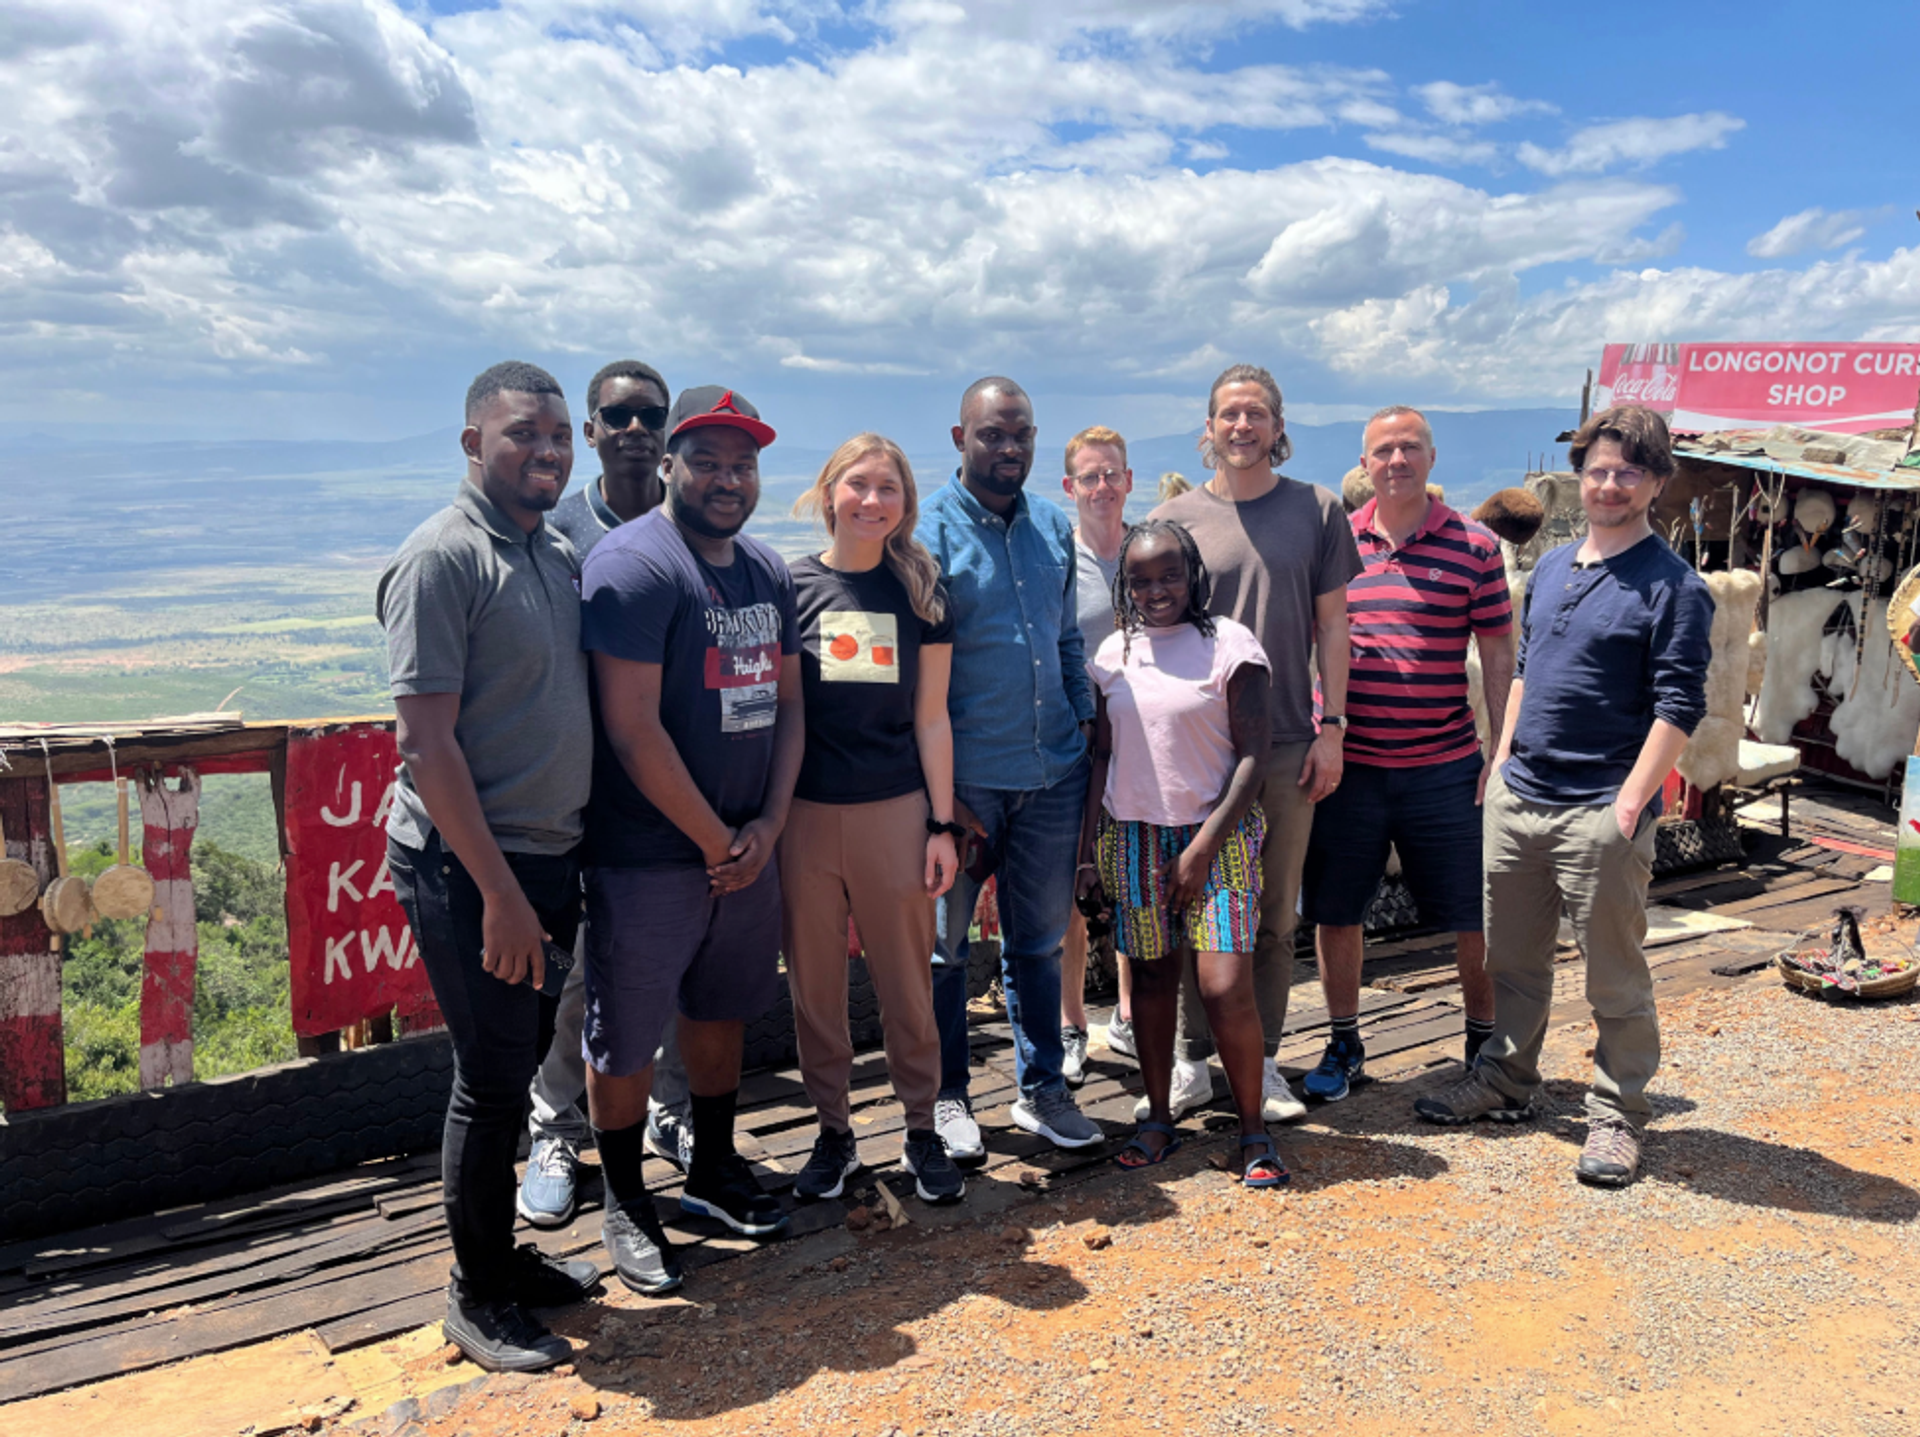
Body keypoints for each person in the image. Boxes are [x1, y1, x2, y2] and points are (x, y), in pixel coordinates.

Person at [1414, 405, 1712, 1190]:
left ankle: (1618, 1111)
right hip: (1522, 795)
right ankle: (1508, 1078)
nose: (1610, 485)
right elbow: (1523, 673)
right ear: (1580, 477)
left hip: (1601, 806)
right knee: (1512, 958)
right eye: (1598, 470)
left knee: (1612, 970)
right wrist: (1500, 758)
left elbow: (1679, 705)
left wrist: (1630, 803)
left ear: (1655, 482)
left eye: (1628, 472)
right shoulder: (1550, 567)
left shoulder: (1675, 586)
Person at [380, 360, 601, 1372]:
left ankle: (502, 1261)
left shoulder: (549, 550)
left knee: (512, 1071)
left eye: (559, 436)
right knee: (491, 1078)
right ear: (473, 443)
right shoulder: (442, 561)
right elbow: (428, 747)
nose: (546, 450)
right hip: (471, 870)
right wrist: (503, 899)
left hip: (544, 859)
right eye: (523, 434)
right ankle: (474, 1293)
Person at [579, 385, 803, 1295]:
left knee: (721, 1008)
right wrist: (718, 838)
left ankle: (711, 1168)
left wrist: (769, 827)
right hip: (649, 852)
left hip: (746, 845)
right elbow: (632, 728)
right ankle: (627, 1199)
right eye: (706, 459)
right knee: (627, 1032)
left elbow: (790, 705)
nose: (727, 477)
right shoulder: (633, 566)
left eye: (742, 462)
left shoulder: (767, 570)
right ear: (668, 462)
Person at [1148, 364, 1363, 1123]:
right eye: (1229, 414)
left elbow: (1335, 625)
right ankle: (1191, 1057)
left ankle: (1264, 1059)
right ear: (1207, 428)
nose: (1243, 426)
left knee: (1274, 913)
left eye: (1257, 414)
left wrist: (1331, 728)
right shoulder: (1174, 517)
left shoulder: (1318, 509)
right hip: (1197, 747)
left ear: (1278, 426)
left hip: (1284, 744)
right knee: (1188, 903)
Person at [519, 358, 698, 1231]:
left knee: (667, 967)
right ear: (589, 429)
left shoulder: (693, 525)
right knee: (588, 974)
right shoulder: (553, 534)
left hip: (677, 792)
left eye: (649, 416)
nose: (634, 430)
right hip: (577, 793)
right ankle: (553, 1126)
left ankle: (671, 1107)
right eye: (616, 416)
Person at [1298, 407, 1514, 1102]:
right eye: (1383, 450)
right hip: (1350, 765)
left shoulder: (1476, 547)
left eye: (1409, 448)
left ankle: (1484, 1043)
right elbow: (1308, 640)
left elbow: (1499, 653)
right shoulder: (1337, 544)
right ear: (1364, 463)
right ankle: (1345, 1041)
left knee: (1471, 911)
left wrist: (1501, 747)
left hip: (1445, 765)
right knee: (1337, 909)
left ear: (1431, 456)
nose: (1397, 460)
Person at [781, 434, 968, 1205]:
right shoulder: (787, 588)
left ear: (905, 502)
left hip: (896, 812)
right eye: (857, 485)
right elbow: (781, 712)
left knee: (906, 986)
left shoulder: (922, 592)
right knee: (815, 990)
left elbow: (932, 719)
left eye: (888, 487)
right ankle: (834, 1133)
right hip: (805, 819)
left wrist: (942, 824)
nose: (871, 500)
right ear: (829, 493)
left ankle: (921, 1129)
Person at [921, 376, 1102, 1160]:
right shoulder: (925, 533)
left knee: (1035, 943)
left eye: (1021, 434)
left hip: (1052, 773)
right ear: (960, 438)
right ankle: (947, 1095)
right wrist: (939, 795)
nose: (1009, 448)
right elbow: (914, 678)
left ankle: (1043, 1091)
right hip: (964, 785)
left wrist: (1084, 729)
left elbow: (1066, 643)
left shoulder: (1053, 528)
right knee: (945, 948)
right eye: (992, 434)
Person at [1076, 520, 1288, 1185]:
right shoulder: (1114, 653)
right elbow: (1102, 755)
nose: (1156, 589)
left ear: (1192, 573)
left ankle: (1253, 1130)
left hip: (1217, 834)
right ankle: (1160, 1118)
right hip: (1132, 836)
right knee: (1153, 980)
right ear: (1125, 584)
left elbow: (1255, 754)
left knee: (1224, 985)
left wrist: (1201, 847)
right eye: (1140, 579)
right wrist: (1087, 852)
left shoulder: (1230, 644)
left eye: (1169, 574)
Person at [1057, 426, 1133, 1085]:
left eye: (1112, 473)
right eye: (1090, 477)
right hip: (1075, 745)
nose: (1102, 486)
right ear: (1070, 488)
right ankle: (1071, 1022)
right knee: (1064, 890)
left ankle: (1131, 1018)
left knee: (1135, 882)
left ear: (1129, 481)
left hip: (1141, 749)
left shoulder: (1150, 552)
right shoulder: (1057, 561)